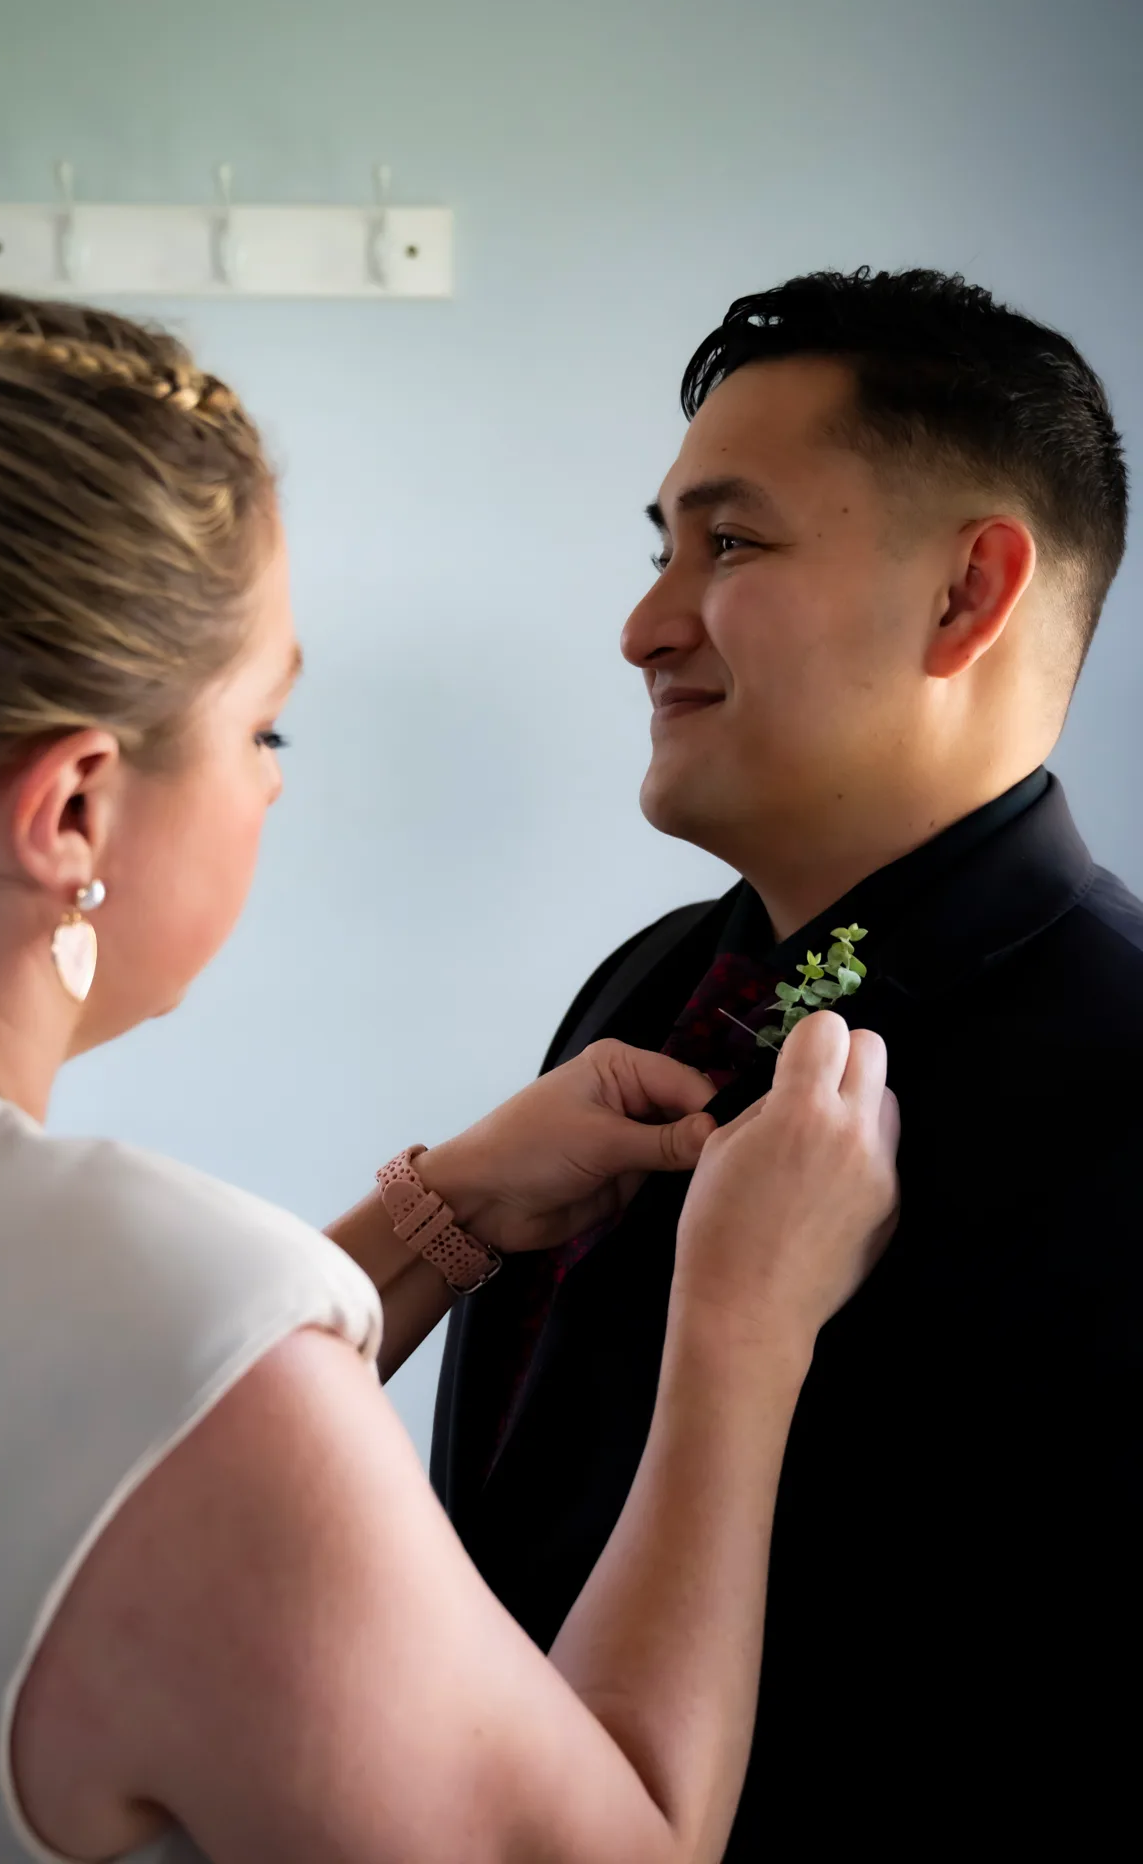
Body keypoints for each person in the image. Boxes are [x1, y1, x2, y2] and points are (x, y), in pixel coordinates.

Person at [0, 287, 899, 1864]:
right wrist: (741, 1335)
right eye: (261, 728)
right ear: (74, 809)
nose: (272, 786)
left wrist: (445, 1211)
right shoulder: (158, 1322)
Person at [433, 267, 1143, 1858]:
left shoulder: (1122, 1066)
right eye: (660, 548)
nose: (641, 628)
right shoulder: (646, 990)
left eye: (730, 544)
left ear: (968, 593)